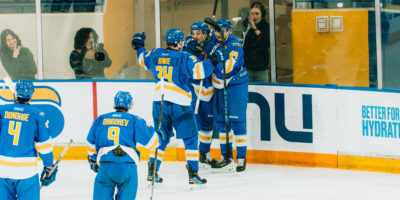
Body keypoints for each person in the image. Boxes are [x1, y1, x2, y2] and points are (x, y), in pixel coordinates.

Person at [131, 28, 227, 185]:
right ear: (180, 42)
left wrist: (139, 45)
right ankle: (193, 174)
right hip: (179, 104)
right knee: (191, 138)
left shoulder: (155, 53)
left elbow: (142, 58)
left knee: (161, 137)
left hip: (159, 102)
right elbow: (200, 72)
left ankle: (152, 171)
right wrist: (214, 60)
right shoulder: (185, 57)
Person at [86, 91, 161, 200]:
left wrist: (93, 159)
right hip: (128, 165)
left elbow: (90, 143)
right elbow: (154, 143)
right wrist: (159, 135)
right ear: (130, 105)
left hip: (106, 164)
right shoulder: (134, 120)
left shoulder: (101, 119)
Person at [0, 80, 58, 199]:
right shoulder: (36, 115)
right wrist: (48, 166)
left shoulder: (2, 110)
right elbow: (44, 145)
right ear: (31, 95)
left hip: (2, 170)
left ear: (15, 93)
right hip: (26, 171)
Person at [210, 18, 249, 172]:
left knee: (237, 122)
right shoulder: (216, 40)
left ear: (229, 31)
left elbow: (228, 66)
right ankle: (226, 156)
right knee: (221, 123)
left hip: (236, 84)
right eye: (217, 31)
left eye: (223, 31)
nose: (220, 34)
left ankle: (241, 158)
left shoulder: (234, 45)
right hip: (219, 84)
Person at [182, 21, 219, 168]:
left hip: (209, 90)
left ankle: (204, 153)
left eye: (198, 33)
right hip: (194, 89)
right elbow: (185, 51)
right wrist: (190, 43)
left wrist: (210, 49)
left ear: (205, 34)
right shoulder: (188, 45)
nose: (195, 36)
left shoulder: (211, 45)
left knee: (208, 124)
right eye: (193, 33)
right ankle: (191, 158)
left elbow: (219, 55)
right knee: (193, 125)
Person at [242, 2, 270, 82]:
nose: (254, 16)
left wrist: (254, 27)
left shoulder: (266, 26)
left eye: (257, 13)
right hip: (247, 67)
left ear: (262, 14)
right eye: (252, 13)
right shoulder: (246, 26)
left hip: (261, 68)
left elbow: (265, 43)